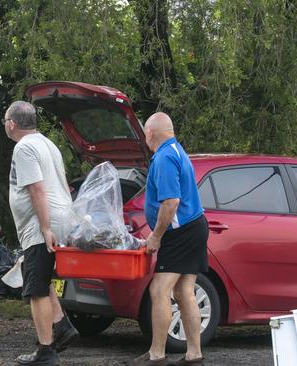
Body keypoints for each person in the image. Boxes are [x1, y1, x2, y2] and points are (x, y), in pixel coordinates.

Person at [129, 112, 209, 366]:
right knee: (185, 290)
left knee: (159, 289)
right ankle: (194, 354)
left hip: (181, 233)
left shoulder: (163, 157)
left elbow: (171, 202)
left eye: (146, 134)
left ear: (151, 133)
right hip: (194, 226)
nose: (145, 139)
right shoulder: (176, 150)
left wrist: (155, 237)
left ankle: (156, 355)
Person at [3, 101, 79, 365]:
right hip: (60, 216)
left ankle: (46, 352)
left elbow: (37, 189)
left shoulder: (24, 148)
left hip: (40, 225)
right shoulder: (47, 144)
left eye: (5, 121)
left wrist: (45, 228)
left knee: (35, 288)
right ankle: (61, 326)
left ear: (11, 123)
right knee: (39, 276)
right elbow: (64, 184)